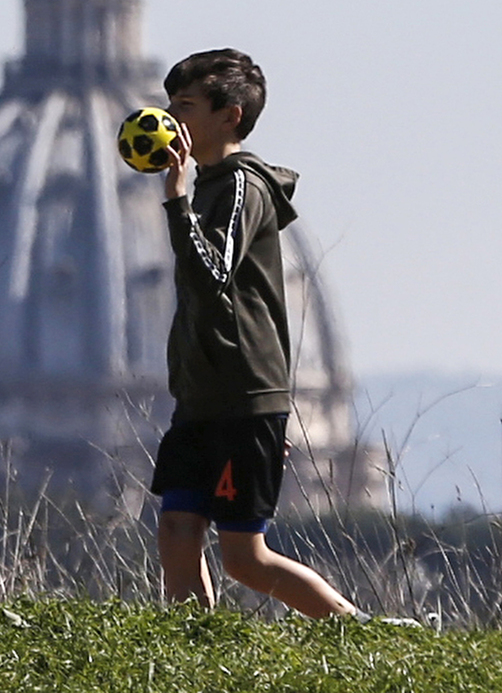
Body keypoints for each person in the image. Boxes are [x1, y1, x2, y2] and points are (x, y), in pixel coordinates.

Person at [151, 47, 361, 618]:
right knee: (175, 530)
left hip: (242, 397)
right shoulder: (212, 184)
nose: (173, 121)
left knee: (244, 558)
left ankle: (362, 629)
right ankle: (196, 655)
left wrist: (175, 202)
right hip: (200, 396)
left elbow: (213, 271)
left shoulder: (243, 186)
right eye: (170, 106)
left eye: (186, 107)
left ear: (230, 116)